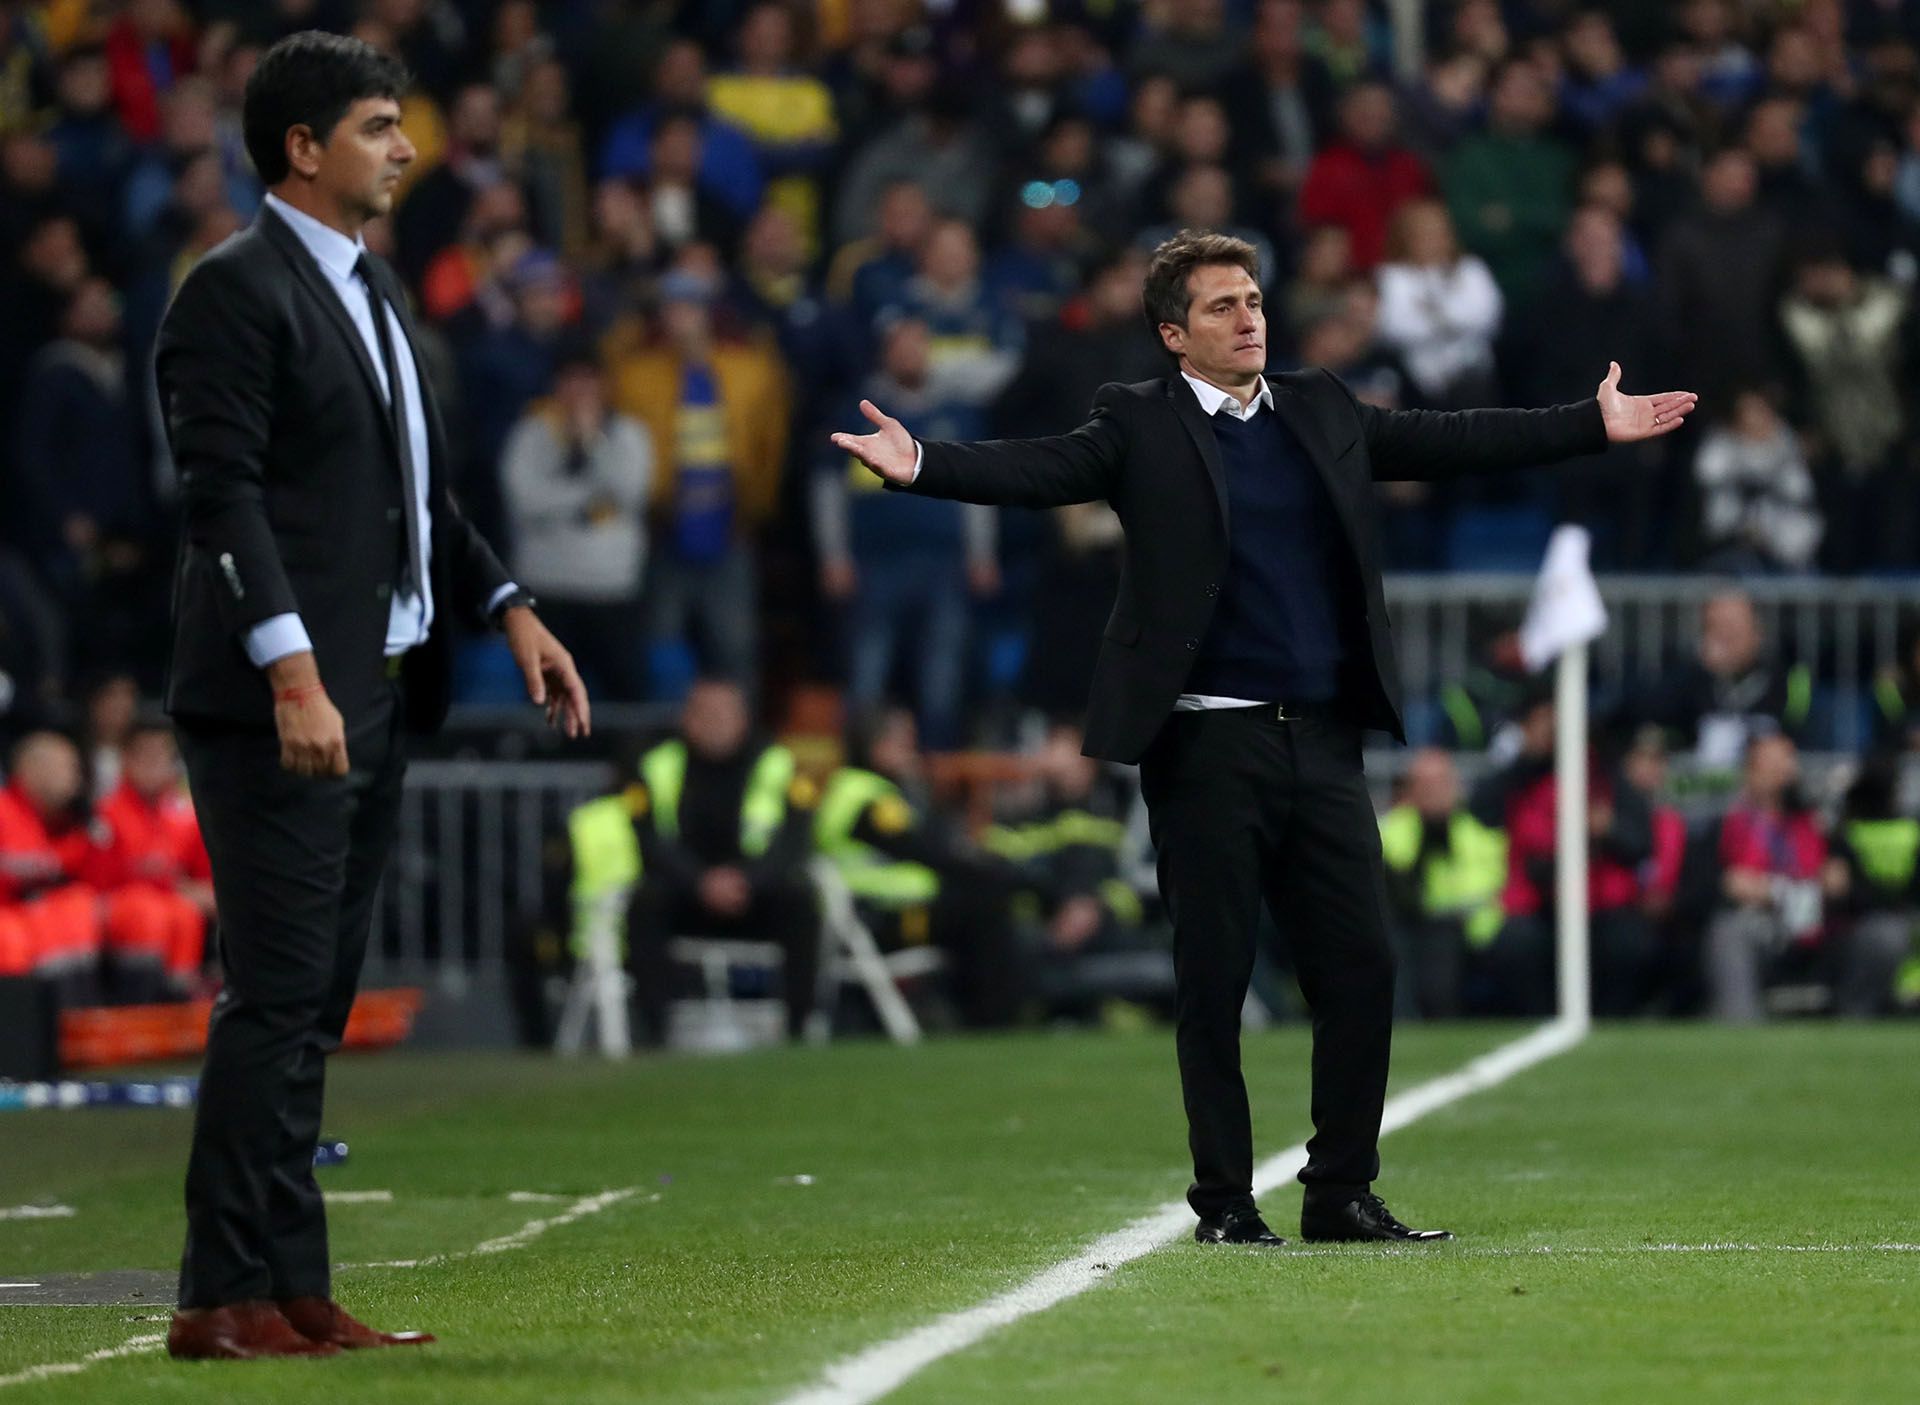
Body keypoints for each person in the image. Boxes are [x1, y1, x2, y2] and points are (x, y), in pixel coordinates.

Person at [831, 229, 1694, 1246]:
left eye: (1253, 300)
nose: (1249, 319)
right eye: (1221, 307)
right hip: (1206, 748)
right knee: (1216, 977)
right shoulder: (1137, 420)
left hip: (1322, 740)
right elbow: (1040, 469)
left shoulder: (1320, 407)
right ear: (1172, 332)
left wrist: (1586, 424)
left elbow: (1451, 437)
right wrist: (922, 462)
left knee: (1363, 965)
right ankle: (1226, 1201)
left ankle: (1338, 1191)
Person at [154, 32, 588, 1362]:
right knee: (275, 996)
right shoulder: (231, 293)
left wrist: (508, 603)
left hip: (380, 688)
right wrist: (291, 668)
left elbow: (417, 500)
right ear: (304, 147)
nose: (407, 149)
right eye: (381, 125)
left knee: (313, 1003)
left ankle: (289, 1285)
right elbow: (220, 496)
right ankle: (214, 1295)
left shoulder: (378, 291)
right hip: (288, 699)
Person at [625, 677, 820, 1045]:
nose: (713, 722)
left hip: (756, 895)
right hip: (686, 894)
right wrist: (700, 882)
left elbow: (794, 841)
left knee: (801, 900)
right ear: (686, 719)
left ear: (743, 718)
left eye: (723, 713)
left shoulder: (778, 763)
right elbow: (647, 839)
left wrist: (749, 880)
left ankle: (799, 1032)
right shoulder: (655, 764)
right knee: (644, 903)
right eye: (704, 713)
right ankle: (655, 1035)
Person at [813, 705, 1027, 1028]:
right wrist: (991, 869)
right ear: (876, 746)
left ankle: (979, 1011)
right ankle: (994, 1018)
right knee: (984, 901)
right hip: (878, 919)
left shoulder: (862, 789)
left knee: (981, 891)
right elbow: (925, 851)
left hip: (885, 911)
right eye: (902, 742)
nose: (910, 751)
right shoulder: (867, 797)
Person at [1377, 747, 1507, 1020]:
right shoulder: (1389, 831)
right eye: (1426, 785)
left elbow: (1492, 889)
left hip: (1470, 930)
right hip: (1409, 926)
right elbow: (1397, 890)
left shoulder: (1479, 832)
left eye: (1441, 783)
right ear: (1410, 790)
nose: (1434, 793)